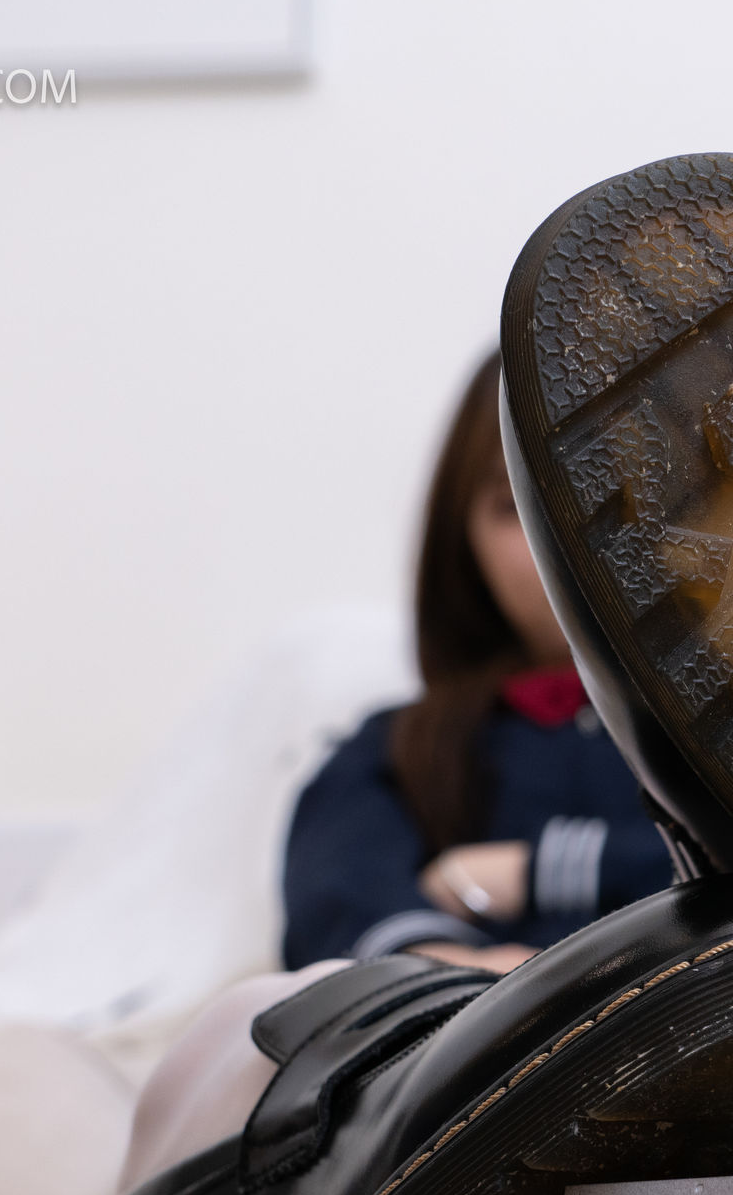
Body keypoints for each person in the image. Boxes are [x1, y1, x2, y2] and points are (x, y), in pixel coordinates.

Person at [279, 353, 672, 975]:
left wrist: (537, 870)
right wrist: (449, 969)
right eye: (514, 506)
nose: (559, 533)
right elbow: (335, 902)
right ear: (463, 540)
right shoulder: (397, 750)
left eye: (605, 492)